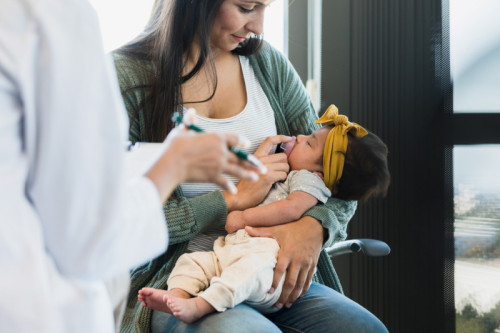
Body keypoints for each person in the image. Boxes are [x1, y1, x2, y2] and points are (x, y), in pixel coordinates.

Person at [113, 0, 389, 331]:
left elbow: (336, 167)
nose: (258, 26)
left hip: (266, 273)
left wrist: (313, 227)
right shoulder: (123, 78)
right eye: (246, 7)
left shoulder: (268, 64)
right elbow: (114, 222)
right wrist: (231, 201)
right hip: (182, 281)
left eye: (266, 7)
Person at [0, 0, 258, 332]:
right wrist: (174, 167)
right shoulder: (51, 17)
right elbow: (89, 239)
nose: (257, 26)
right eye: (247, 6)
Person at [136, 105, 391, 324]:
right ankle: (178, 296)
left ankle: (202, 304)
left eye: (309, 141)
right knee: (192, 263)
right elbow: (132, 222)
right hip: (224, 252)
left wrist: (313, 226)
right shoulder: (305, 169)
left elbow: (336, 199)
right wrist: (233, 199)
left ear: (322, 174)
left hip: (268, 268)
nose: (299, 136)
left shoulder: (308, 179)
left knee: (365, 327)